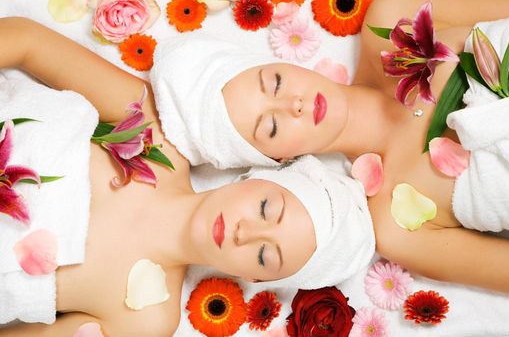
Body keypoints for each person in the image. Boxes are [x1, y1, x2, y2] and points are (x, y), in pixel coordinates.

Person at [0, 19, 375, 335]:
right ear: (256, 177)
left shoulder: (146, 322)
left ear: (255, 280)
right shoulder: (149, 132)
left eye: (264, 254)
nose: (244, 232)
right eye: (265, 207)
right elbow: (27, 41)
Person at [149, 0, 509, 295]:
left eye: (275, 82)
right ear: (275, 163)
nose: (293, 104)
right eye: (272, 128)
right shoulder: (398, 230)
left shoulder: (392, 17)